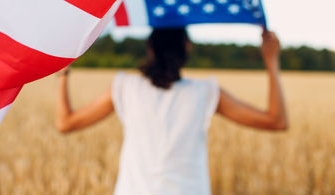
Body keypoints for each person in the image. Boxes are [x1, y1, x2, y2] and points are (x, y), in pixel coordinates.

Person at [55, 28, 287, 195]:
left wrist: (62, 73)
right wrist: (271, 60)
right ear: (186, 47)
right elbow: (276, 121)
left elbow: (65, 123)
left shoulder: (125, 87)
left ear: (150, 49)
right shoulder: (205, 92)